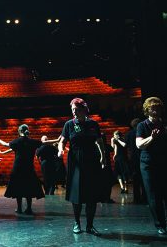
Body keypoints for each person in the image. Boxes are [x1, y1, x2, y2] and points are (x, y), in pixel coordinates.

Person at [58, 97, 106, 236]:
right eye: (73, 109)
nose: (74, 112)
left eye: (77, 109)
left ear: (84, 109)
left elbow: (99, 141)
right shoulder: (69, 124)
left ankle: (90, 225)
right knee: (76, 194)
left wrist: (103, 155)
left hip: (92, 160)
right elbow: (62, 141)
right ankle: (77, 222)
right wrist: (60, 149)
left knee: (92, 195)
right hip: (75, 161)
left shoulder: (93, 124)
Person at [136, 97, 167, 235]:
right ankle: (160, 224)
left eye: (158, 107)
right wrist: (152, 138)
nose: (155, 109)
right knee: (154, 196)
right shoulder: (142, 126)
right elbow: (139, 145)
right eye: (152, 107)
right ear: (147, 110)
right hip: (149, 165)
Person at [0, 124, 45, 214]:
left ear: (19, 131)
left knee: (18, 188)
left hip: (18, 168)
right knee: (29, 188)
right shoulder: (32, 142)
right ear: (27, 131)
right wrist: (59, 139)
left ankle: (19, 208)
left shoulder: (16, 142)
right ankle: (29, 208)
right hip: (29, 168)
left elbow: (6, 144)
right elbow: (44, 143)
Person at [126, 118, 146, 204]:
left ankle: (136, 199)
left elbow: (126, 145)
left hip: (133, 158)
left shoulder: (129, 133)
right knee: (144, 179)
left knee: (135, 180)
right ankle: (145, 198)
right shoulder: (143, 132)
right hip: (142, 156)